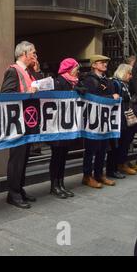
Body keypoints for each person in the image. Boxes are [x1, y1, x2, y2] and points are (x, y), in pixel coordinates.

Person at [0, 41, 39, 209]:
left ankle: (19, 188)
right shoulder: (12, 71)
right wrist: (25, 93)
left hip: (27, 120)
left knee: (24, 157)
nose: (36, 56)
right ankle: (13, 192)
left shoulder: (28, 72)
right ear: (24, 54)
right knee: (17, 157)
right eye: (34, 53)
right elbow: (6, 94)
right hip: (17, 121)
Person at [81, 55, 120, 189]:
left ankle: (99, 174)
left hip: (105, 119)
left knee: (103, 148)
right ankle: (87, 176)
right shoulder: (89, 80)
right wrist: (111, 97)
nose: (105, 64)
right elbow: (91, 97)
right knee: (91, 149)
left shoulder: (107, 80)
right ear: (94, 65)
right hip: (92, 120)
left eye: (105, 62)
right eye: (102, 62)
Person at [48, 58, 82, 199]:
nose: (78, 72)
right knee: (56, 156)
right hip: (57, 126)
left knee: (63, 155)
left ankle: (61, 183)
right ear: (69, 69)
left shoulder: (74, 83)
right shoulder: (58, 82)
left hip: (68, 126)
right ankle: (54, 185)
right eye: (76, 69)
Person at [106, 64, 137, 178]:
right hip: (118, 119)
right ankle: (114, 168)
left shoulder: (125, 84)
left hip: (126, 118)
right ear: (123, 72)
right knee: (116, 145)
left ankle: (120, 164)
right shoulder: (115, 83)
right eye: (129, 73)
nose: (130, 76)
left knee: (125, 142)